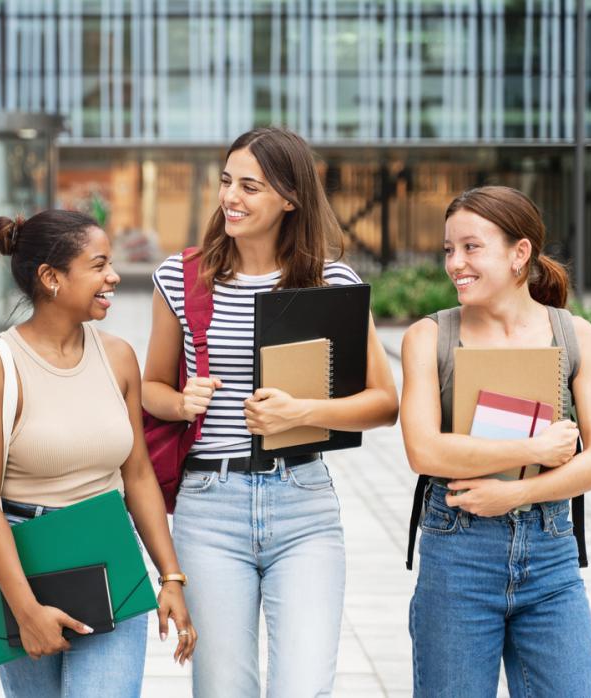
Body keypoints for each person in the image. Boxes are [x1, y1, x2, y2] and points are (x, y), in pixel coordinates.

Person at [141, 127, 399, 697]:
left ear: (290, 198)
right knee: (223, 689)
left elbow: (385, 403)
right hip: (210, 509)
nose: (231, 196)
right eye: (227, 181)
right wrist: (181, 402)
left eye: (250, 187)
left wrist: (302, 411)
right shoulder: (182, 279)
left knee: (303, 687)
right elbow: (150, 388)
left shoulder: (331, 282)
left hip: (303, 504)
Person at [0, 209, 196, 698]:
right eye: (98, 265)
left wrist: (170, 576)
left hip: (109, 556)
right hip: (25, 563)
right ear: (50, 278)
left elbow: (137, 474)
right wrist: (26, 611)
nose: (113, 276)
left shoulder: (118, 356)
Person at [401, 185, 591, 696]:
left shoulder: (574, 336)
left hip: (551, 555)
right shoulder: (428, 338)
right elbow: (424, 451)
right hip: (458, 554)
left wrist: (517, 492)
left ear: (520, 253)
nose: (456, 263)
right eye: (449, 250)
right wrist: (533, 451)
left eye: (471, 247)